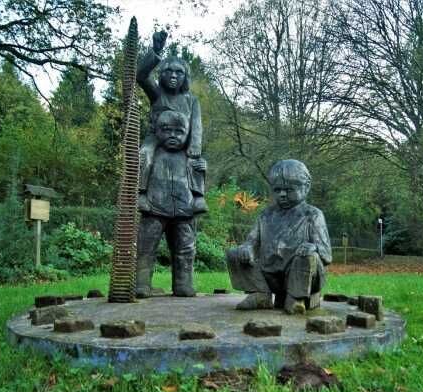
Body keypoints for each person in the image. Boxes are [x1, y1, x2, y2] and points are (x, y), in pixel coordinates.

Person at [226, 160, 332, 314]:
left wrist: (313, 247)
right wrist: (247, 248)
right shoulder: (266, 215)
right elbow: (252, 241)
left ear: (306, 187)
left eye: (289, 189)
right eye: (277, 190)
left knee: (308, 257)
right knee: (234, 254)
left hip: (302, 276)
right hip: (269, 277)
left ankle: (296, 298)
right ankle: (260, 294)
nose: (282, 194)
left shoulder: (313, 215)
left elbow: (326, 254)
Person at [135, 110, 206, 298]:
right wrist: (141, 195)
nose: (173, 136)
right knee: (146, 248)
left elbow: (198, 181)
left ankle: (183, 284)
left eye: (179, 131)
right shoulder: (150, 154)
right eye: (167, 130)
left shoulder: (190, 157)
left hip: (184, 210)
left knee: (186, 249)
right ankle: (142, 284)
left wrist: (199, 194)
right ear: (157, 131)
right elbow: (140, 176)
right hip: (154, 207)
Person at [136, 30, 206, 214]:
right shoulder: (157, 93)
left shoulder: (191, 100)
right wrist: (156, 51)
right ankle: (141, 193)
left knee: (197, 161)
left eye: (179, 73)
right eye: (169, 71)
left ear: (185, 77)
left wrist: (195, 146)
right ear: (162, 74)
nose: (174, 76)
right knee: (144, 153)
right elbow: (141, 76)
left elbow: (197, 126)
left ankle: (198, 197)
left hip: (183, 140)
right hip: (157, 138)